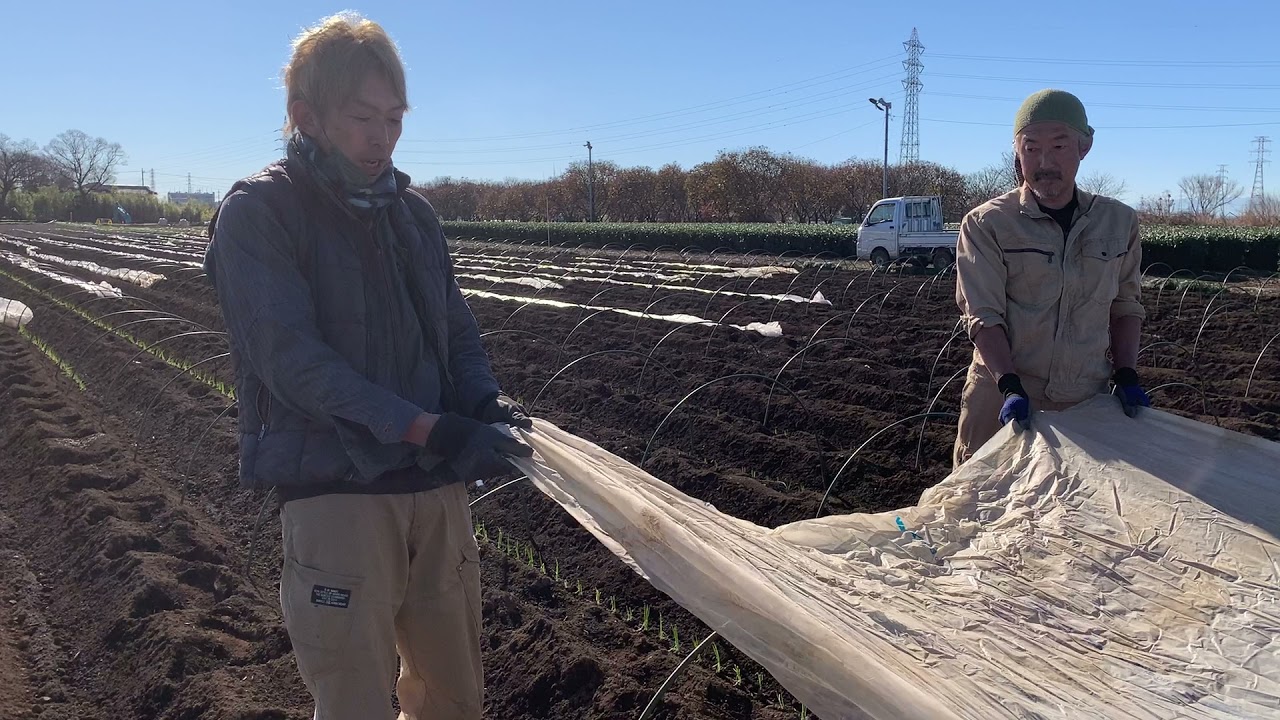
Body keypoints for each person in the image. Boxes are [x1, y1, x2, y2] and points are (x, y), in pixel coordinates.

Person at [202, 12, 533, 719]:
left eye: (394, 117)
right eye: (360, 117)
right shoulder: (261, 213)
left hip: (435, 496)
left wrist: (484, 403)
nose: (381, 136)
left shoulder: (413, 215)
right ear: (307, 116)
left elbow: (454, 329)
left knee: (455, 699)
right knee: (354, 701)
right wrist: (425, 428)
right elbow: (292, 362)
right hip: (338, 496)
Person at [952, 88, 1150, 468]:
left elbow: (1126, 304)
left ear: (1084, 147)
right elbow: (982, 313)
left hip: (1084, 401)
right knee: (984, 508)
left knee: (1071, 514)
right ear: (1017, 151)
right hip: (1002, 398)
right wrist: (1009, 385)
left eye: (1059, 147)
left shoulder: (1119, 222)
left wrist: (1126, 374)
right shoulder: (986, 224)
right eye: (1031, 148)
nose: (1044, 162)